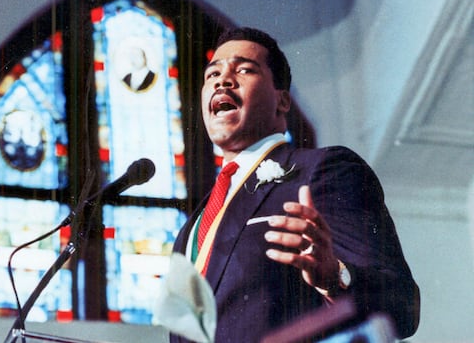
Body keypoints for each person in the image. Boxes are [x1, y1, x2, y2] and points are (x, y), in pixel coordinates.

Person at [171, 27, 420, 342]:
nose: (223, 80)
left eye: (244, 69)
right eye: (212, 74)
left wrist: (335, 277)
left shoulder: (323, 170)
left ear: (283, 101)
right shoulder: (191, 229)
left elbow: (402, 306)